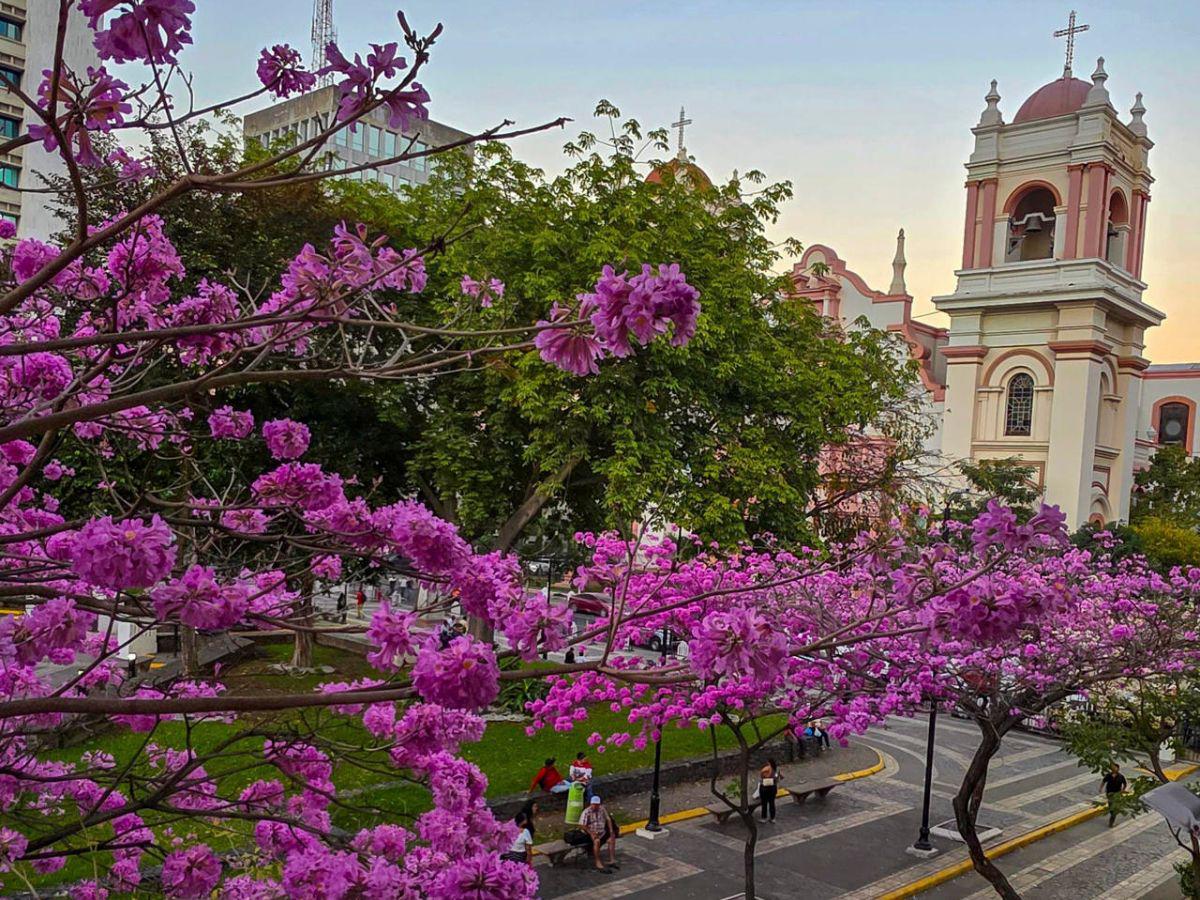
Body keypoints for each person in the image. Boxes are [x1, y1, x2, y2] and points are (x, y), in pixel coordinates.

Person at [578, 795, 618, 872]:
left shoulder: (602, 809)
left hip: (601, 831)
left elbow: (608, 819)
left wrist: (611, 831)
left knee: (611, 839)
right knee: (597, 841)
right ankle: (597, 861)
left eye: (597, 804)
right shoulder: (586, 812)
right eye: (594, 804)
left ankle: (612, 860)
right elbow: (582, 825)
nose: (595, 806)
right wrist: (591, 833)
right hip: (590, 832)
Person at [1101, 762, 1127, 827]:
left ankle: (1111, 822)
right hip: (1109, 793)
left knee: (1114, 808)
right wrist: (1101, 788)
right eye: (1113, 767)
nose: (1114, 769)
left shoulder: (1121, 776)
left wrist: (1123, 790)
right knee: (1111, 805)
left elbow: (1125, 784)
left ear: (1118, 769)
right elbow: (1103, 781)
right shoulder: (1108, 775)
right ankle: (1112, 816)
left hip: (1117, 794)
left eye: (1115, 767)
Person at [759, 757, 781, 823]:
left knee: (764, 803)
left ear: (768, 762)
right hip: (773, 788)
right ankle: (772, 818)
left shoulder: (766, 769)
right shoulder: (776, 769)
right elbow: (778, 778)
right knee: (772, 803)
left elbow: (761, 775)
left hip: (765, 788)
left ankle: (764, 818)